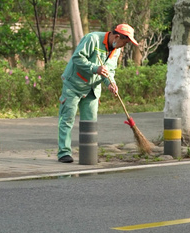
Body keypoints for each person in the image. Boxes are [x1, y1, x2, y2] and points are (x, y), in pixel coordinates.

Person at [57, 24, 139, 163]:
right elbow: (77, 58)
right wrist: (95, 68)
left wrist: (111, 84)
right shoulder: (92, 39)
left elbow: (109, 71)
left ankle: (87, 153)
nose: (123, 46)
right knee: (67, 119)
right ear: (117, 37)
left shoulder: (116, 50)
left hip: (92, 89)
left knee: (90, 122)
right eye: (124, 42)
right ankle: (64, 153)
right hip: (74, 85)